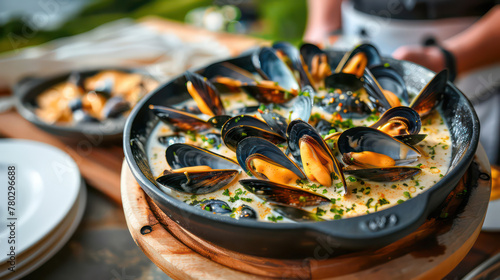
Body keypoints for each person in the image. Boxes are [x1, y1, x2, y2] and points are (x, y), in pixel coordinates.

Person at [304, 0, 500, 164]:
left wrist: (446, 58)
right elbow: (323, 22)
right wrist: (324, 24)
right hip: (354, 45)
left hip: (474, 71)